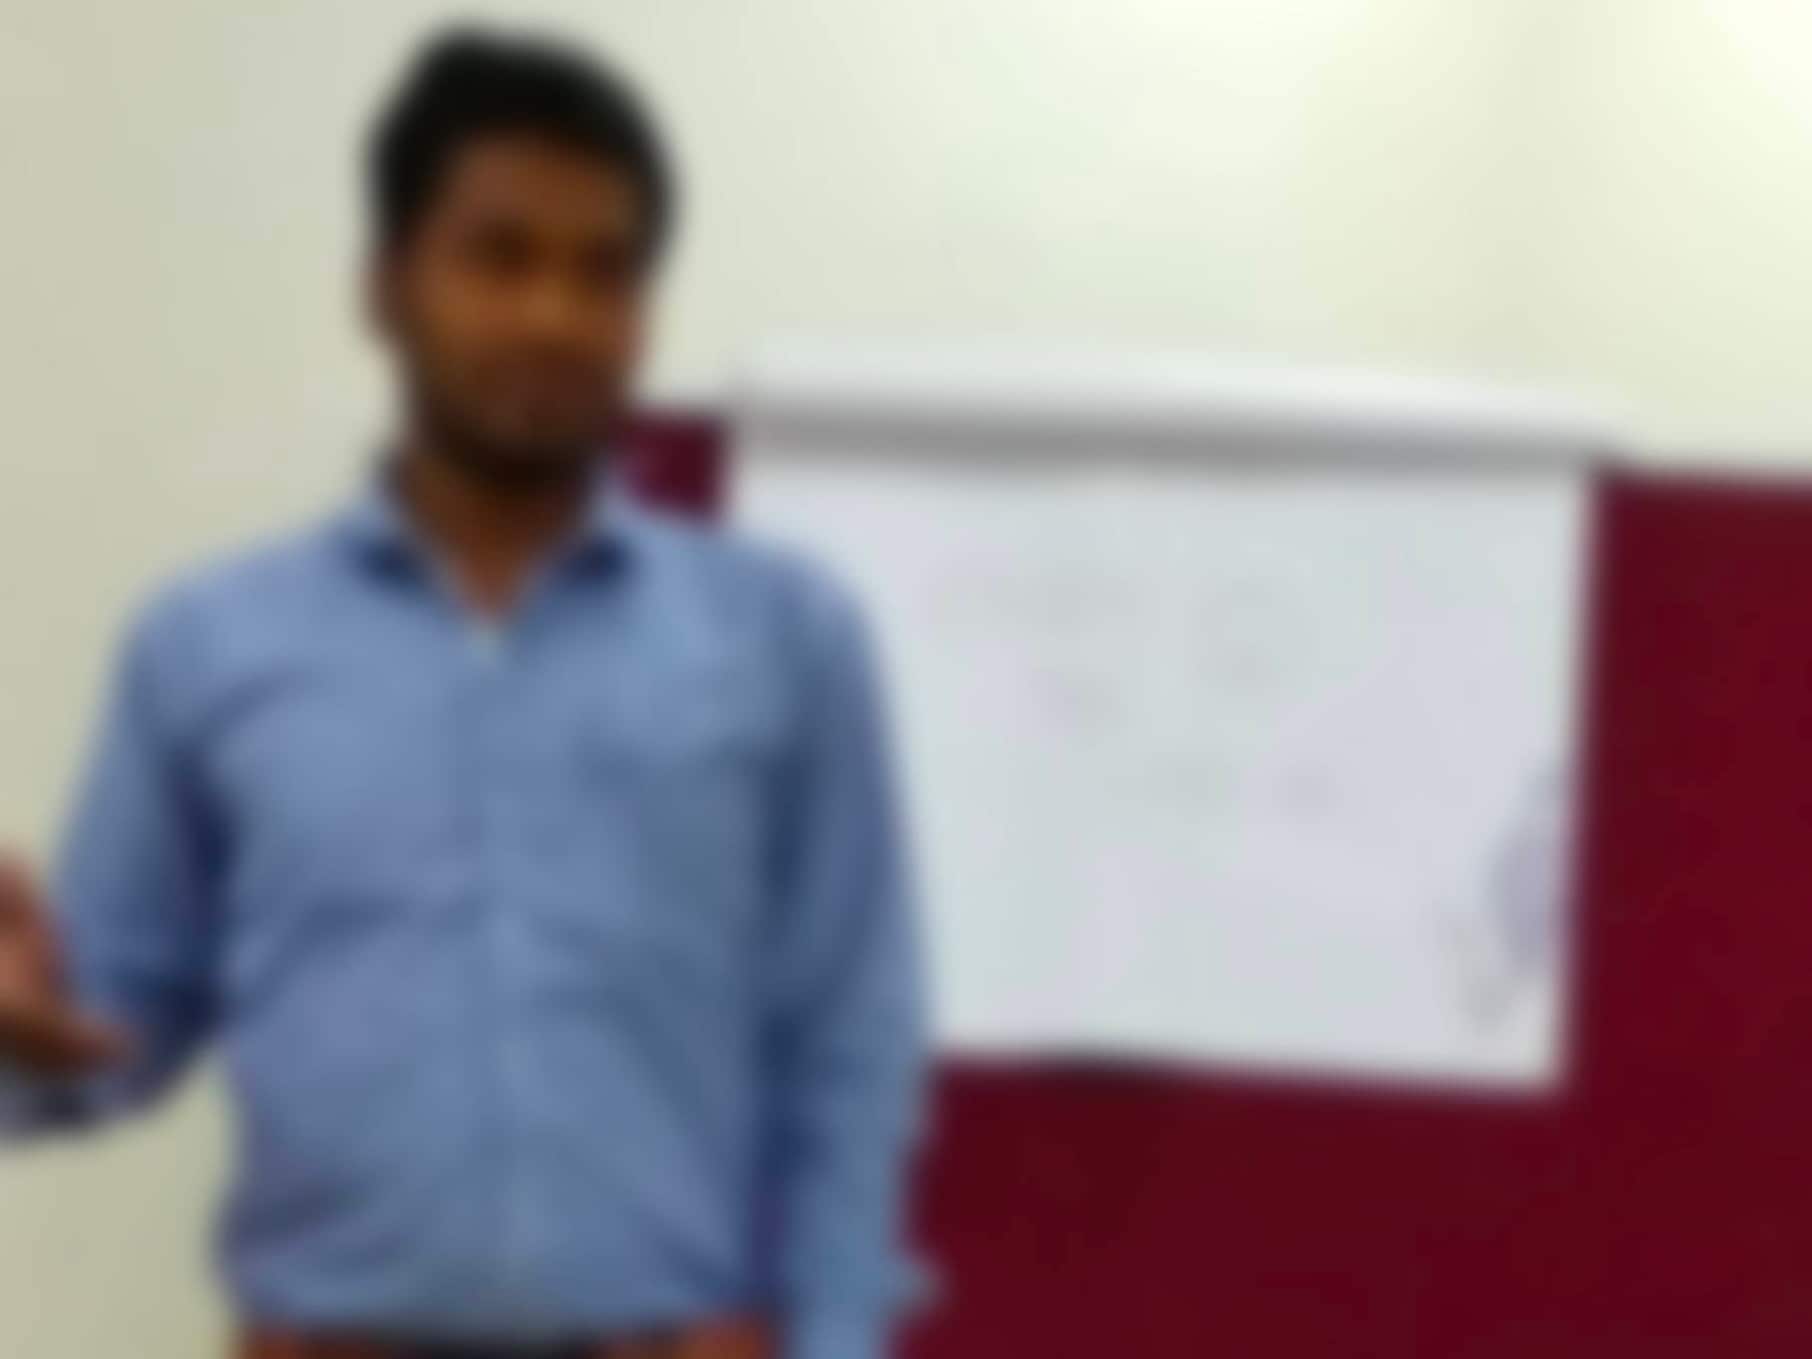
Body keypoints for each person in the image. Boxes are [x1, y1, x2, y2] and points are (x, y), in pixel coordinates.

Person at [0, 27, 925, 1359]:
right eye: (500, 257)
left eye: (603, 272)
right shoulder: (207, 648)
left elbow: (848, 1038)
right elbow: (102, 1034)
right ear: (385, 288)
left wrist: (839, 1342)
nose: (553, 315)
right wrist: (20, 1041)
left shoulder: (784, 640)